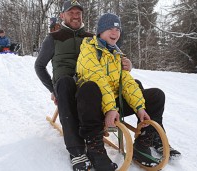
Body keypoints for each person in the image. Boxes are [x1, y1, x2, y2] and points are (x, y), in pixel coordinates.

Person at [34, 1, 132, 171]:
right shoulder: (53, 38)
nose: (75, 15)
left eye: (78, 12)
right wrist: (52, 89)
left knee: (99, 85)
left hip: (87, 83)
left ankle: (146, 137)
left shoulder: (91, 38)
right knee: (65, 83)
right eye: (70, 12)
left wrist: (128, 64)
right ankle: (77, 151)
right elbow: (39, 66)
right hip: (65, 85)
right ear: (62, 15)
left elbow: (113, 55)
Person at [76, 13, 181, 170]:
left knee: (156, 95)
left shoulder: (117, 54)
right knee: (90, 87)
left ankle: (143, 143)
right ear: (100, 31)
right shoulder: (89, 50)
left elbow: (126, 82)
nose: (115, 32)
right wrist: (110, 109)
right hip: (93, 105)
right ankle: (94, 148)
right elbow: (98, 79)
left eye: (118, 29)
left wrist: (140, 107)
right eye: (110, 28)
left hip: (113, 103)